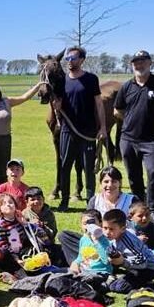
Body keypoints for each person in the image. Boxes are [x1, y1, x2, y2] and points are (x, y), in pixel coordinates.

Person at [113, 51, 154, 219]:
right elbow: (117, 110)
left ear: (150, 63)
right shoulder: (127, 86)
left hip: (151, 141)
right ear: (132, 65)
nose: (139, 65)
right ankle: (139, 209)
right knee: (133, 176)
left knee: (152, 173)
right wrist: (130, 121)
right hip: (128, 139)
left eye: (142, 62)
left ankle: (153, 211)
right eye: (136, 63)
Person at [55, 47, 108, 210]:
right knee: (65, 166)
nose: (69, 61)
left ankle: (91, 203)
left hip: (87, 132)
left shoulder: (91, 79)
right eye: (68, 58)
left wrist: (103, 128)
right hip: (67, 131)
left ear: (82, 60)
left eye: (73, 58)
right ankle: (64, 201)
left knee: (89, 168)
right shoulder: (62, 80)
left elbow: (99, 104)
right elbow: (58, 102)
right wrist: (57, 106)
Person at [0, 81, 41, 193]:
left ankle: (2, 198)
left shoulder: (6, 102)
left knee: (3, 173)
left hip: (5, 141)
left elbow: (24, 97)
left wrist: (38, 86)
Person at [101, 209, 154, 295]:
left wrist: (122, 262)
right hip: (134, 266)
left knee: (119, 287)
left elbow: (142, 263)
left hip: (149, 268)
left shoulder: (127, 241)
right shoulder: (114, 236)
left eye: (111, 229)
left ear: (123, 229)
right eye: (105, 228)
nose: (107, 232)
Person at [68, 210, 113, 277]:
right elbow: (81, 257)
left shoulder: (105, 239)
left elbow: (106, 260)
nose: (89, 226)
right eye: (85, 224)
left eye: (92, 223)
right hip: (85, 271)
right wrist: (75, 263)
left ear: (100, 223)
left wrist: (96, 241)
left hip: (101, 273)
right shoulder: (84, 239)